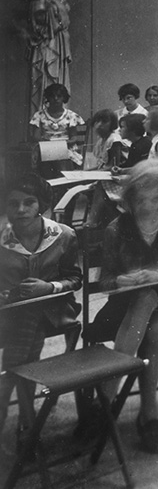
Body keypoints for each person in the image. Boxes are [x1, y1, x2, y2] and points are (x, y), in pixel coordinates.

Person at [87, 162, 158, 454]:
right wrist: (122, 279)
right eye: (140, 199)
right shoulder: (116, 228)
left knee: (149, 297)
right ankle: (149, 416)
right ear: (130, 198)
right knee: (154, 323)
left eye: (156, 198)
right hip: (124, 304)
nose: (148, 205)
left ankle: (105, 400)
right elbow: (105, 282)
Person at [0, 174, 82, 441]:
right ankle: (27, 421)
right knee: (28, 322)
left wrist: (49, 288)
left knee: (31, 312)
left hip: (55, 311)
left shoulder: (63, 235)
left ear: (41, 205)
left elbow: (75, 279)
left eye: (29, 202)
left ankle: (6, 389)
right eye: (14, 203)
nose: (21, 209)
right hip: (9, 315)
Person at [28, 0, 71, 113]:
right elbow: (36, 24)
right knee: (45, 78)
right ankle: (43, 117)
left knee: (59, 79)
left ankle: (59, 116)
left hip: (59, 42)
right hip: (46, 43)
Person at [29, 83, 85, 161]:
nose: (55, 99)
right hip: (46, 148)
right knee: (46, 158)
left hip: (66, 148)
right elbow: (36, 136)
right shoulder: (39, 115)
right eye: (52, 96)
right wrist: (49, 144)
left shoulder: (71, 115)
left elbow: (74, 137)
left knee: (63, 159)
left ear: (64, 98)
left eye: (59, 96)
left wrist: (62, 145)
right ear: (48, 98)